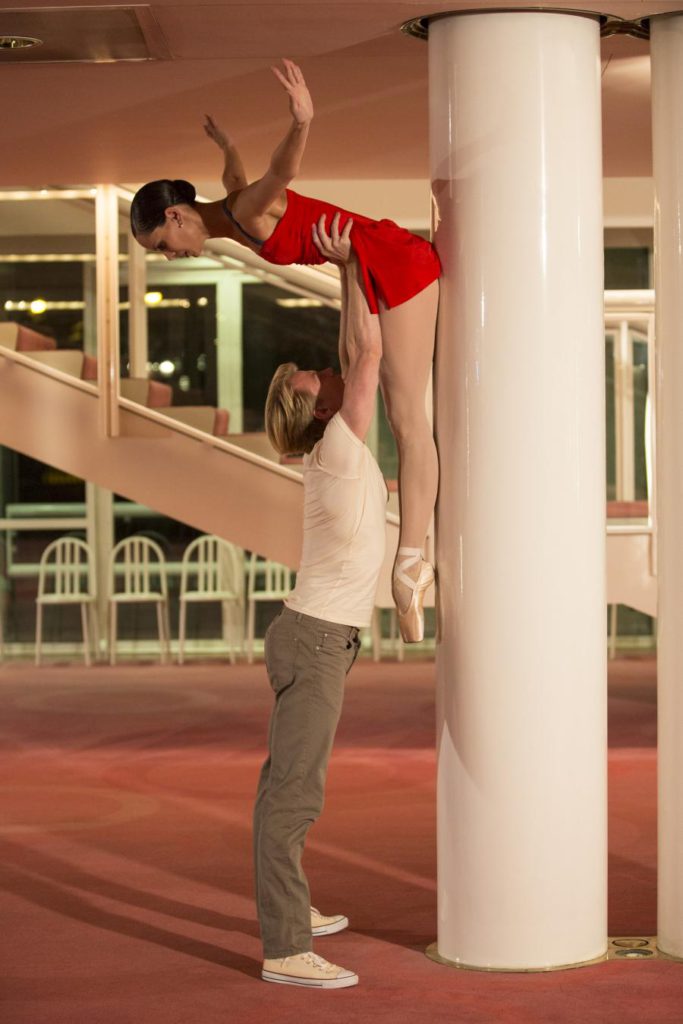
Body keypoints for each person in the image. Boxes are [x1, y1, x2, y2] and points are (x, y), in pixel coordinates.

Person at [130, 59, 439, 642]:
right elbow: (242, 174)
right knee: (366, 382)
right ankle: (412, 563)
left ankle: (411, 563)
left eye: (163, 244)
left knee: (406, 420)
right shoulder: (233, 206)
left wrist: (302, 121)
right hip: (366, 262)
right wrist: (225, 145)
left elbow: (280, 171)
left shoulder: (246, 212)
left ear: (174, 215)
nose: (171, 255)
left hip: (385, 262)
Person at [253, 214, 385, 989]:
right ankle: (283, 948)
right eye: (314, 381)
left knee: (289, 785)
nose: (324, 373)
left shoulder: (334, 449)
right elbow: (364, 351)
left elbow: (353, 354)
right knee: (292, 796)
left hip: (315, 635)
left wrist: (344, 270)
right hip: (314, 639)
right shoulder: (338, 451)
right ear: (319, 412)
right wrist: (350, 260)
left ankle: (290, 914)